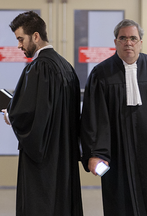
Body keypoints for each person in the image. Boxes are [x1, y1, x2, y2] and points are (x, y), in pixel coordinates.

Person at [80, 19, 147, 216]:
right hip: (118, 153)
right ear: (116, 42)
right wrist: (96, 154)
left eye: (133, 38)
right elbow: (92, 117)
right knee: (121, 203)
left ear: (140, 42)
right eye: (123, 38)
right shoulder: (101, 73)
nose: (129, 43)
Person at [1, 11, 83, 216]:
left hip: (44, 160)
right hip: (63, 156)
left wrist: (11, 114)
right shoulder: (66, 67)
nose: (19, 45)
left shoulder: (40, 67)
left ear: (36, 36)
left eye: (21, 39)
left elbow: (29, 113)